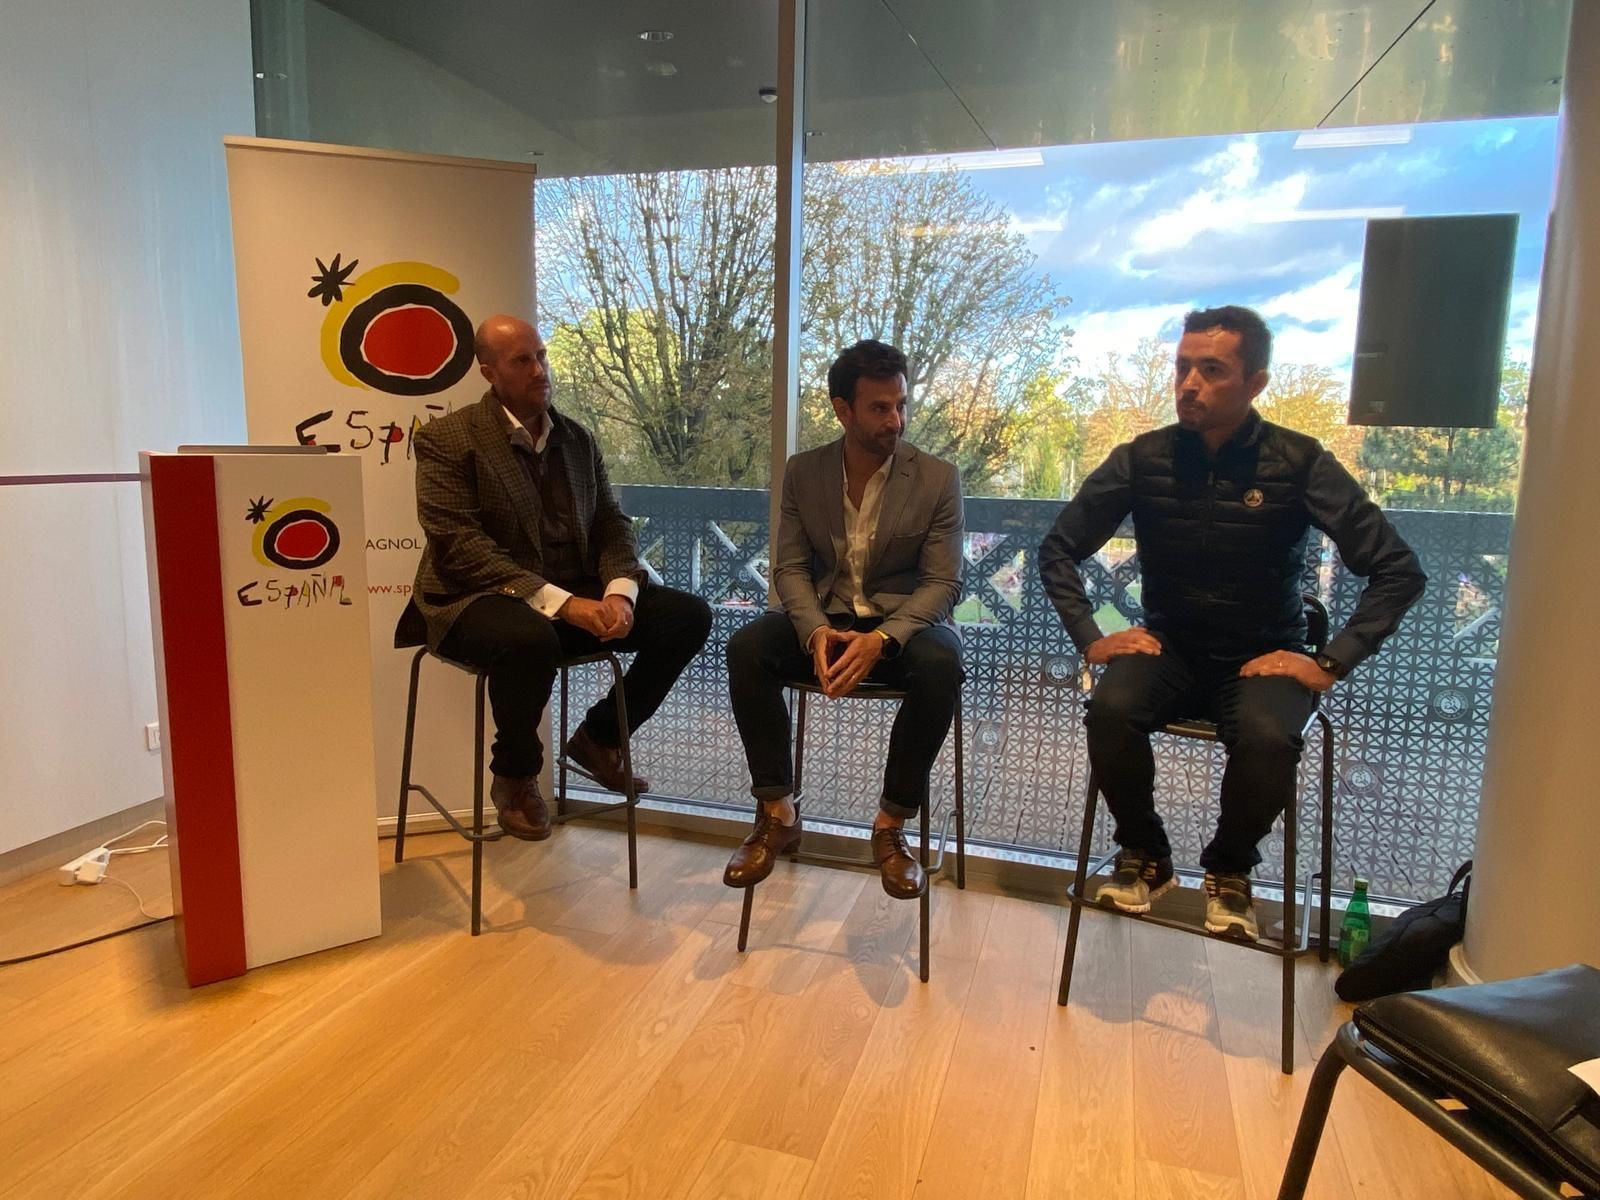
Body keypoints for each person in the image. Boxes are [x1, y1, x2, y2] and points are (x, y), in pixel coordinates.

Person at [1039, 306, 1424, 940]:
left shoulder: (1298, 462)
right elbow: (1059, 548)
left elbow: (1397, 570)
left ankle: (1230, 871)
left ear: (1255, 383)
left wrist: (1329, 661)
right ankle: (1146, 856)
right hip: (1171, 647)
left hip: (1262, 657)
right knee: (1109, 710)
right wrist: (1092, 636)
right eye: (1182, 367)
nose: (1188, 383)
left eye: (1211, 370)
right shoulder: (1143, 458)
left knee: (1270, 736)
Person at [406, 315, 711, 841]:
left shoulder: (575, 438)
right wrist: (566, 605)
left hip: (570, 593)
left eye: (542, 356)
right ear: (488, 372)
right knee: (529, 637)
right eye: (522, 360)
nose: (539, 370)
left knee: (687, 617)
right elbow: (461, 548)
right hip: (476, 595)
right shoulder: (446, 440)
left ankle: (599, 739)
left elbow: (611, 525)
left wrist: (619, 592)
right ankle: (518, 775)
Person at [724, 339, 965, 898]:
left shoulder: (936, 478)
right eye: (881, 408)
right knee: (747, 648)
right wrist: (814, 633)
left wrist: (882, 638)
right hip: (826, 618)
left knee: (942, 665)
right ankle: (777, 811)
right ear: (843, 409)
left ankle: (891, 826)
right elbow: (787, 568)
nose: (896, 420)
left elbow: (943, 584)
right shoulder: (804, 472)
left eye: (901, 405)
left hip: (903, 626)